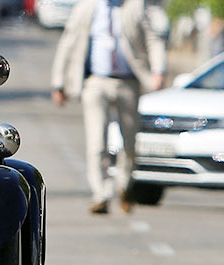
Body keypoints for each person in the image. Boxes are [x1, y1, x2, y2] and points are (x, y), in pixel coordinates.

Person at [51, 0, 166, 214]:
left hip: (128, 82)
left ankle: (124, 185)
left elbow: (153, 39)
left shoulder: (135, 6)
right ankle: (101, 194)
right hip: (96, 82)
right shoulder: (86, 7)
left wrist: (158, 69)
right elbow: (68, 42)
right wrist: (59, 83)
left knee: (129, 142)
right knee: (97, 142)